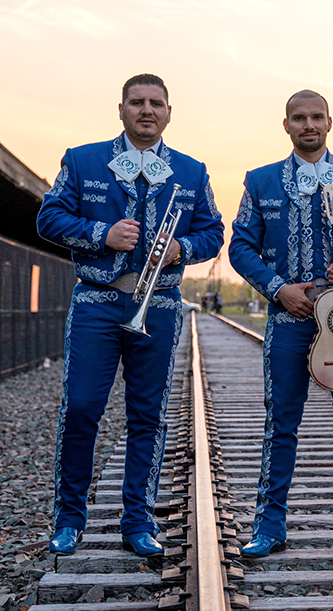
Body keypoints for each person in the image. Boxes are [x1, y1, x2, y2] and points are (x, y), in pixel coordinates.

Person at [38, 74, 224, 556]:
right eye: (137, 102)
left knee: (149, 416)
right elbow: (49, 218)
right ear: (120, 109)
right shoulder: (82, 159)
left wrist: (182, 247)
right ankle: (69, 518)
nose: (147, 110)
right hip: (96, 301)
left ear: (168, 112)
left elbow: (213, 232)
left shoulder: (191, 170)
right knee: (80, 408)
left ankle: (137, 521)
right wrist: (101, 234)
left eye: (156, 103)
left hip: (158, 305)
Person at [228, 90, 333, 557]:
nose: (309, 124)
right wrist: (277, 287)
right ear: (285, 125)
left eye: (316, 117)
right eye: (299, 118)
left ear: (330, 122)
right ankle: (269, 526)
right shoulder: (260, 182)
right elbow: (240, 246)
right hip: (289, 317)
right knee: (280, 422)